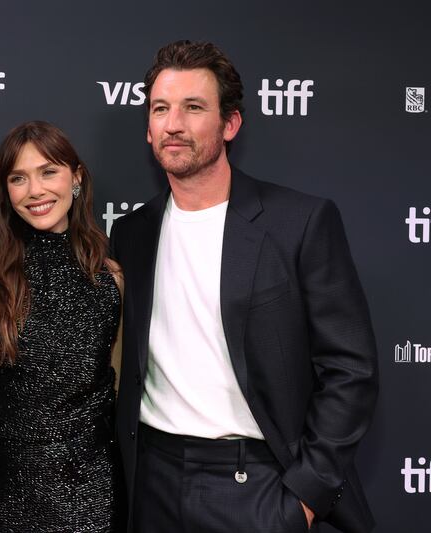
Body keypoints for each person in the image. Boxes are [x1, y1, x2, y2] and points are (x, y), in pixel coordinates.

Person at [110, 40, 378, 533]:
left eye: (193, 108)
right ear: (148, 128)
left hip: (258, 486)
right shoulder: (131, 233)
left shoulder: (299, 222)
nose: (173, 124)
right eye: (160, 109)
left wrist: (303, 497)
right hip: (150, 482)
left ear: (229, 124)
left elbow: (350, 369)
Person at [0, 121, 123, 532]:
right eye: (18, 178)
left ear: (75, 178)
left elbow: (116, 383)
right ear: (6, 190)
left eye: (49, 172)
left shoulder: (109, 278)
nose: (35, 190)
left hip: (89, 490)